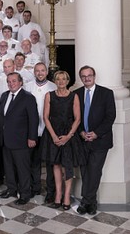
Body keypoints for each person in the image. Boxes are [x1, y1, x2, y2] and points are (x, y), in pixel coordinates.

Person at [74, 66, 116, 215]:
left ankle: (85, 202)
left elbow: (110, 116)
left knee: (94, 171)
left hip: (100, 140)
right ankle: (92, 203)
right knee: (85, 172)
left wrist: (96, 133)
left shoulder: (106, 93)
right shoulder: (76, 94)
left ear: (94, 76)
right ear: (81, 78)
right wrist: (81, 132)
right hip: (82, 140)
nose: (87, 78)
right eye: (84, 76)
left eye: (89, 75)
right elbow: (73, 118)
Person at [42, 71, 84, 211]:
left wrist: (68, 135)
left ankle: (67, 195)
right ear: (54, 81)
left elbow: (77, 118)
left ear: (68, 81)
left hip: (69, 135)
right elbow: (45, 117)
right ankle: (58, 194)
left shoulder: (74, 96)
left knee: (68, 165)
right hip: (53, 133)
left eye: (63, 79)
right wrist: (53, 136)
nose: (61, 81)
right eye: (58, 79)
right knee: (56, 165)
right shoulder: (49, 95)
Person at [0, 72, 39, 205]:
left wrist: (32, 137)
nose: (11, 83)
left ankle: (25, 193)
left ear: (20, 82)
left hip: (21, 140)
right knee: (8, 167)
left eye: (14, 81)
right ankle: (12, 189)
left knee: (23, 168)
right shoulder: (4, 96)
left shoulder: (28, 97)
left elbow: (34, 119)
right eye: (9, 81)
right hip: (6, 139)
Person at [24, 62, 57, 203]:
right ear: (34, 72)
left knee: (50, 162)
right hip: (31, 130)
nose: (40, 73)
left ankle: (51, 191)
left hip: (48, 130)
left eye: (42, 70)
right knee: (33, 161)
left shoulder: (53, 87)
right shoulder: (28, 87)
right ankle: (34, 187)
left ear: (47, 72)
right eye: (37, 71)